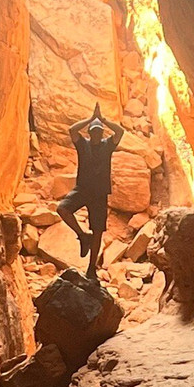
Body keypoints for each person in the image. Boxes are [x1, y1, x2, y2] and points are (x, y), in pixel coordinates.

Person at [57, 103, 124, 280]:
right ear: (89, 132)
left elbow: (120, 132)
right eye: (93, 131)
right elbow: (72, 130)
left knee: (98, 232)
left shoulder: (107, 145)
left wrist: (102, 120)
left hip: (100, 194)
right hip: (82, 189)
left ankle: (91, 269)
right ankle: (82, 235)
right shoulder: (83, 145)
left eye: (98, 131)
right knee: (62, 209)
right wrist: (90, 119)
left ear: (101, 133)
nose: (96, 134)